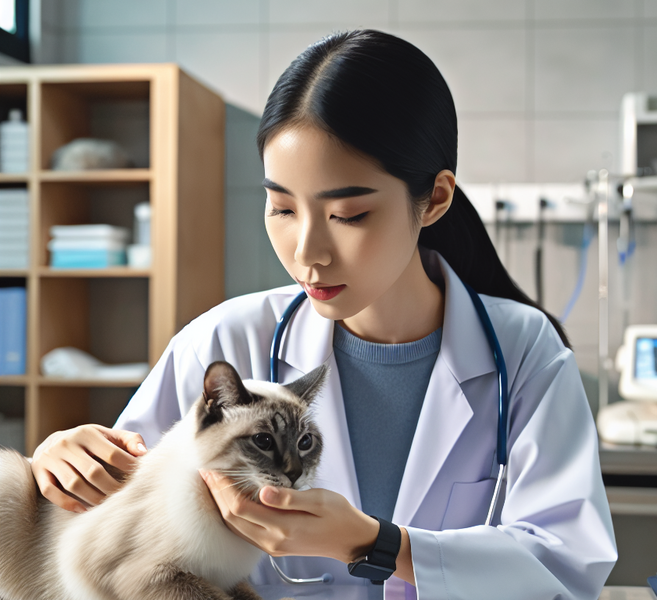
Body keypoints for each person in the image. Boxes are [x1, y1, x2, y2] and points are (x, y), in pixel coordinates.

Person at [30, 29, 616, 599]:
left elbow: (567, 566)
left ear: (434, 199)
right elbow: (110, 535)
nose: (307, 252)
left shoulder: (523, 350)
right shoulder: (226, 338)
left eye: (350, 214)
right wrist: (58, 466)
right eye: (282, 207)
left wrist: (379, 544)